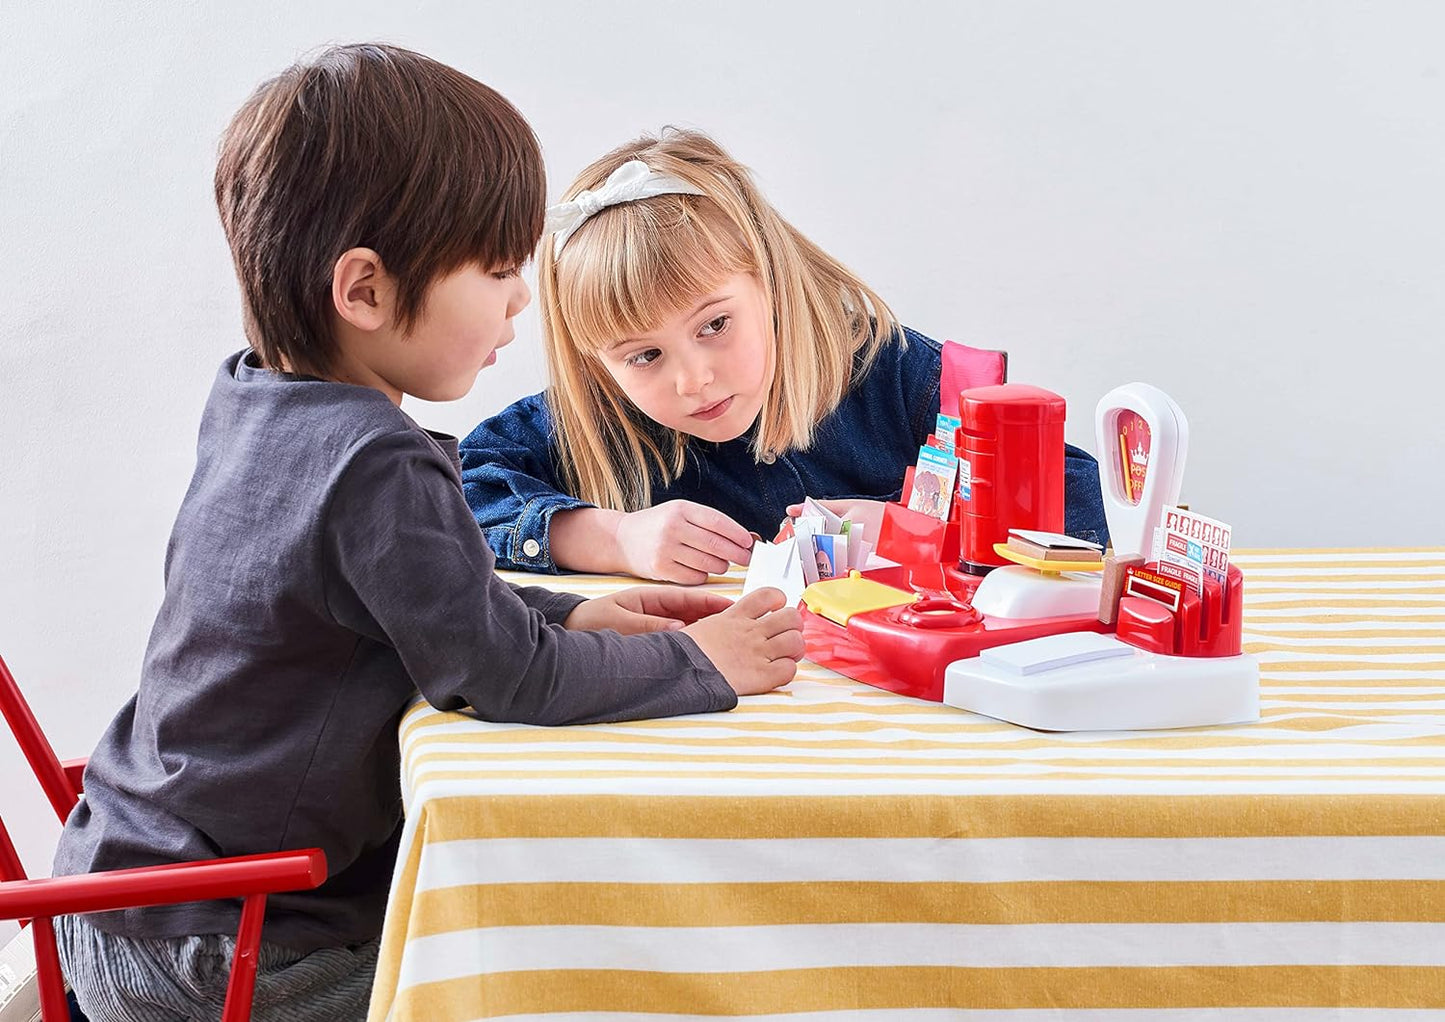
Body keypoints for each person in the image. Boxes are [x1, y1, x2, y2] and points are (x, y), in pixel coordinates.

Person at [50, 46, 803, 1021]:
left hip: (122, 892)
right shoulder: (374, 458)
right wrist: (700, 664)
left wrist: (567, 617)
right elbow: (500, 679)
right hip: (226, 950)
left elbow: (398, 604)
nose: (521, 299)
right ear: (364, 291)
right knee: (566, 974)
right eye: (495, 269)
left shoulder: (258, 398)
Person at [459, 129, 1108, 584]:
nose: (693, 378)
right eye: (643, 356)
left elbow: (1082, 507)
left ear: (770, 282)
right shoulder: (595, 418)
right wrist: (611, 537)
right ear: (596, 365)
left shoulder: (895, 375)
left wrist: (910, 529)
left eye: (714, 324)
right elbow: (454, 495)